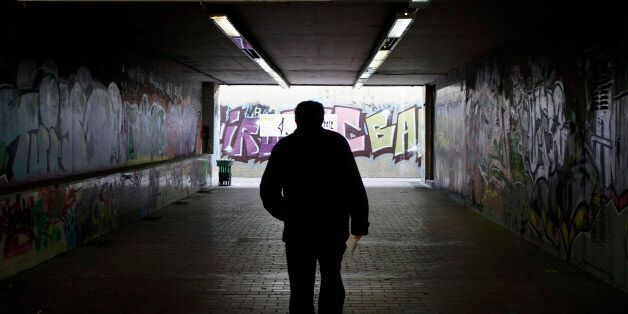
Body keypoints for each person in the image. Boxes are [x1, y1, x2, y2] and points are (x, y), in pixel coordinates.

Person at [260, 101, 369, 314]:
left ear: (296, 119)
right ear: (321, 118)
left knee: (300, 286)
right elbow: (354, 185)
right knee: (332, 278)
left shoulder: (286, 146)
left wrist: (287, 213)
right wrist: (359, 222)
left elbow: (268, 190)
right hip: (333, 227)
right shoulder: (337, 143)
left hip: (298, 230)